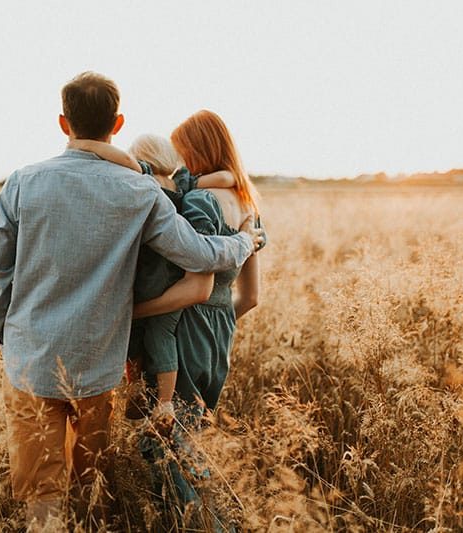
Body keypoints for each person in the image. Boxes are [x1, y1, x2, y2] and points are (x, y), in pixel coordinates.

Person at [0, 73, 263, 529]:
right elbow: (198, 252)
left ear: (62, 121)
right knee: (94, 485)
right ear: (118, 121)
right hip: (98, 364)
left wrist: (7, 338)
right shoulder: (139, 191)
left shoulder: (21, 182)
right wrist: (245, 243)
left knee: (42, 490)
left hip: (29, 360)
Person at [72, 110, 265, 529]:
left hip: (183, 331)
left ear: (197, 150)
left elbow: (195, 287)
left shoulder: (198, 201)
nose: (179, 159)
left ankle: (214, 525)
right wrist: (216, 324)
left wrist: (130, 314)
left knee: (168, 451)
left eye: (184, 149)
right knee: (187, 444)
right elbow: (250, 297)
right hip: (219, 337)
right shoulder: (250, 207)